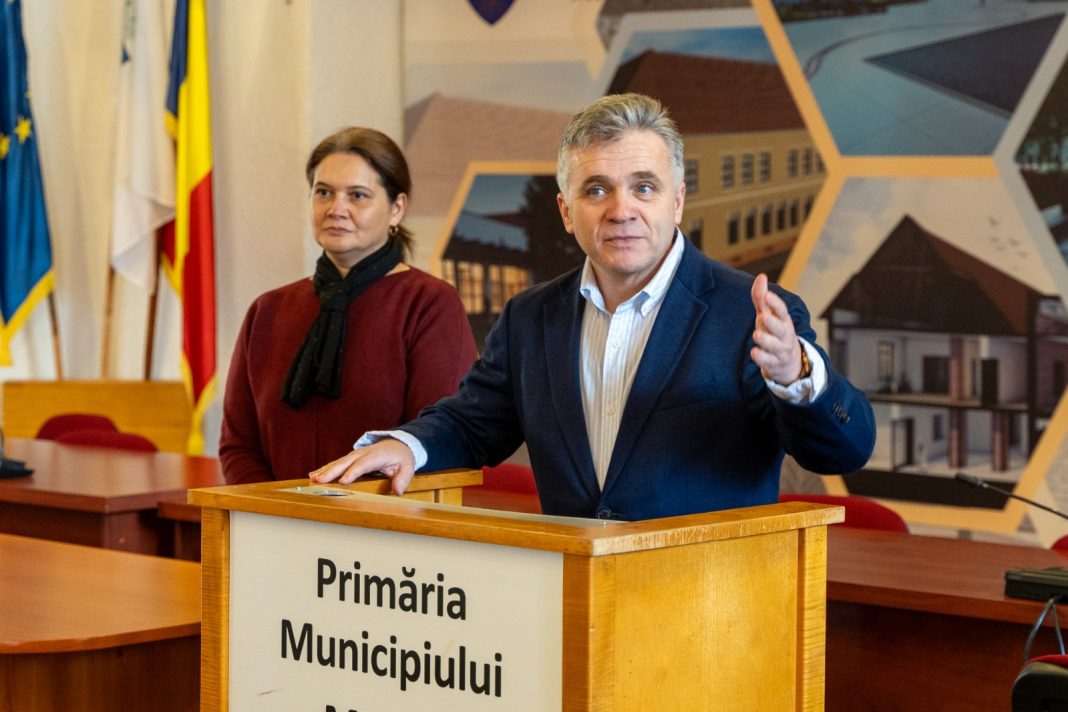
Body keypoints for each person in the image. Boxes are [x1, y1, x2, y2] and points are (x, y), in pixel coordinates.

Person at [310, 94, 875, 521]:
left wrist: (797, 377)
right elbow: (472, 423)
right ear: (565, 210)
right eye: (597, 189)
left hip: (709, 614)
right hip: (576, 604)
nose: (621, 210)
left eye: (644, 187)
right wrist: (407, 445)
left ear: (678, 201)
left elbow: (844, 451)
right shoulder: (530, 318)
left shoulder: (749, 314)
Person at [220, 127, 478, 483]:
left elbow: (437, 440)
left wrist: (341, 511)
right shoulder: (267, 310)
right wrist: (271, 509)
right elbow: (239, 445)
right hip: (272, 514)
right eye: (323, 192)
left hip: (383, 514)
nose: (336, 209)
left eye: (357, 195)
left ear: (397, 209)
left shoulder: (429, 304)